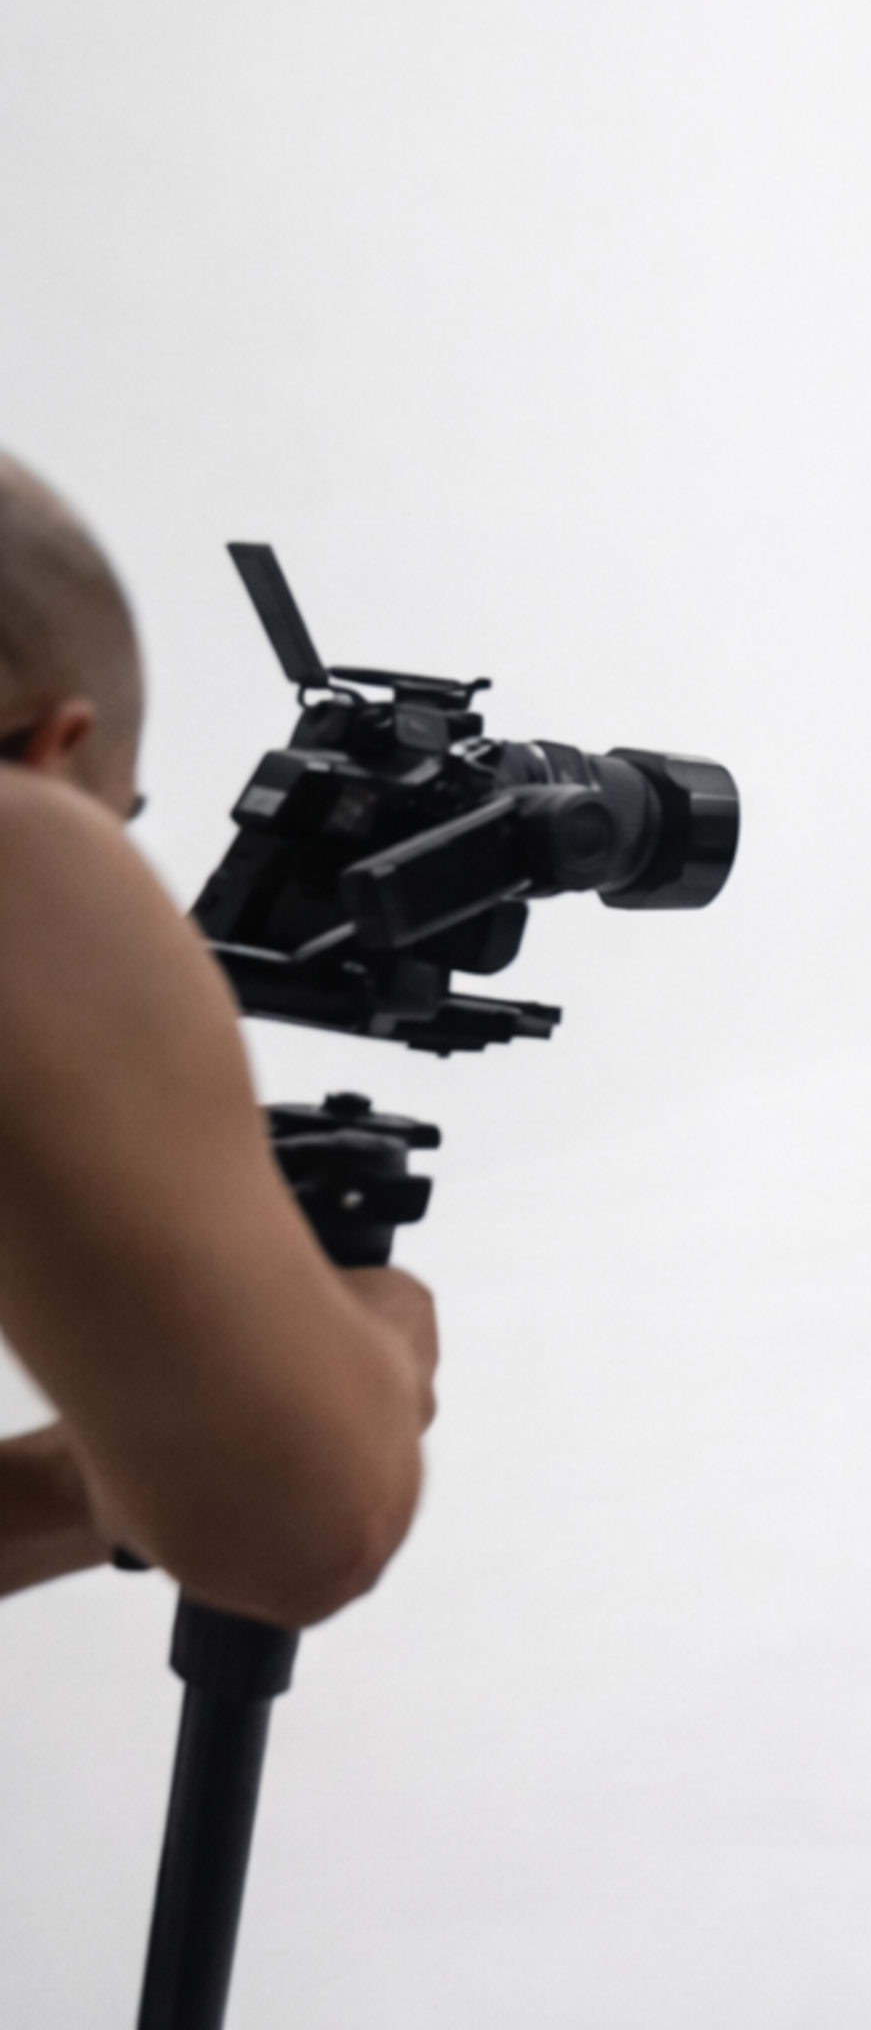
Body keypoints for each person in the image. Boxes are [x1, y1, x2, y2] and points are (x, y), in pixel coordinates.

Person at [0, 454, 441, 1625]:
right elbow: (300, 1534)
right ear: (54, 746)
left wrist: (107, 1476)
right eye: (119, 818)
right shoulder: (21, 844)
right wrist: (382, 1337)